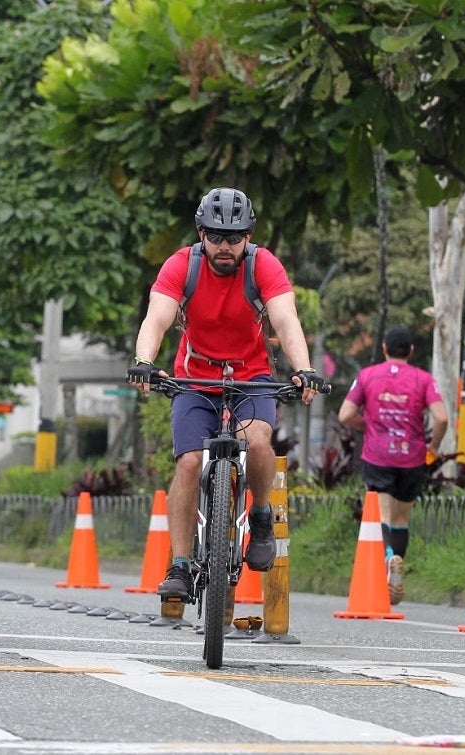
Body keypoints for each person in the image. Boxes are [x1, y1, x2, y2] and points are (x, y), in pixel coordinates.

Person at [126, 187, 323, 600]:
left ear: (248, 237)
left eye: (234, 238)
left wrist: (303, 369)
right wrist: (144, 360)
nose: (224, 246)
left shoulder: (264, 266)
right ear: (201, 234)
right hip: (195, 379)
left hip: (251, 376)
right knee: (188, 463)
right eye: (215, 236)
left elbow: (286, 321)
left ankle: (262, 516)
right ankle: (180, 565)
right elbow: (157, 318)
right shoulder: (182, 265)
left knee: (258, 441)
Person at [337, 325, 448, 604]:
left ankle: (387, 560)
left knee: (383, 516)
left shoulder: (367, 375)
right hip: (412, 457)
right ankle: (396, 562)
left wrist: (367, 425)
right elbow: (442, 418)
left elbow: (345, 414)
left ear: (384, 349)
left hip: (378, 455)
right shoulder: (424, 379)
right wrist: (433, 446)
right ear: (411, 351)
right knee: (401, 518)